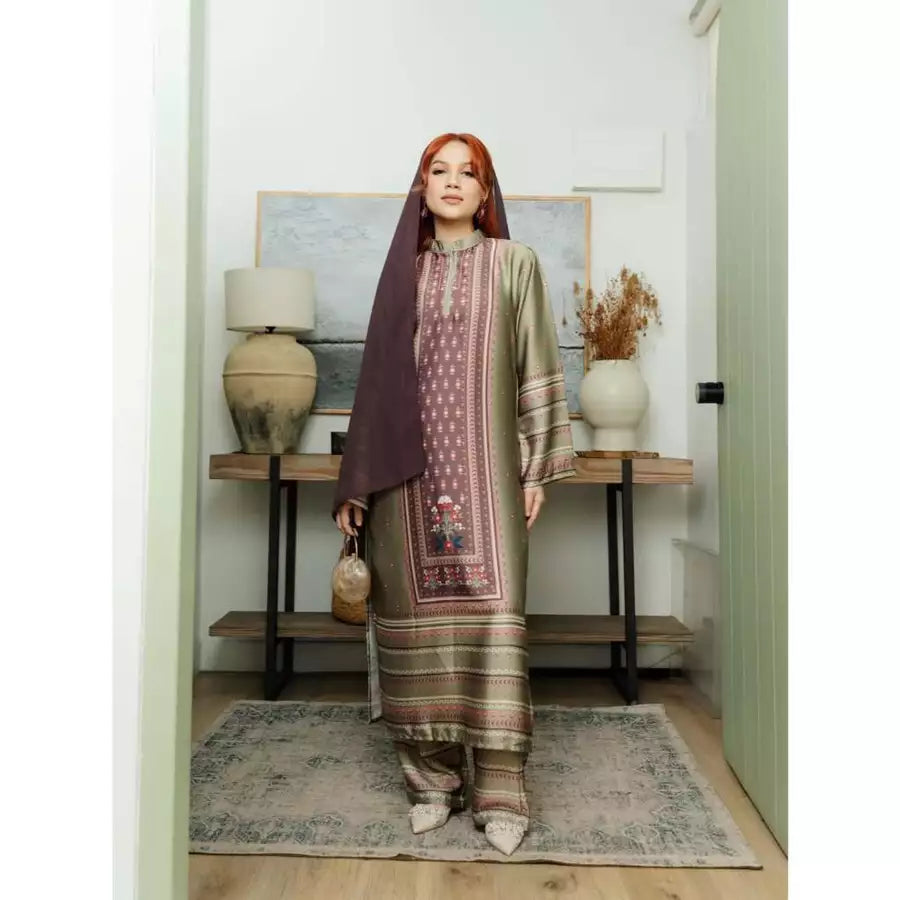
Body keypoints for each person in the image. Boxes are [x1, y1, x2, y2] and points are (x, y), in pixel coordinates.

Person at [333, 132, 576, 856]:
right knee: (407, 617)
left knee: (497, 615)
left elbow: (537, 361)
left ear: (485, 191)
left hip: (489, 475)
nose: (451, 182)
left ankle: (501, 789)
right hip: (405, 479)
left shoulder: (514, 266)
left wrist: (535, 470)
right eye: (437, 171)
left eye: (467, 173)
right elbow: (374, 387)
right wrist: (356, 484)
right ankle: (431, 782)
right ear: (421, 188)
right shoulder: (400, 275)